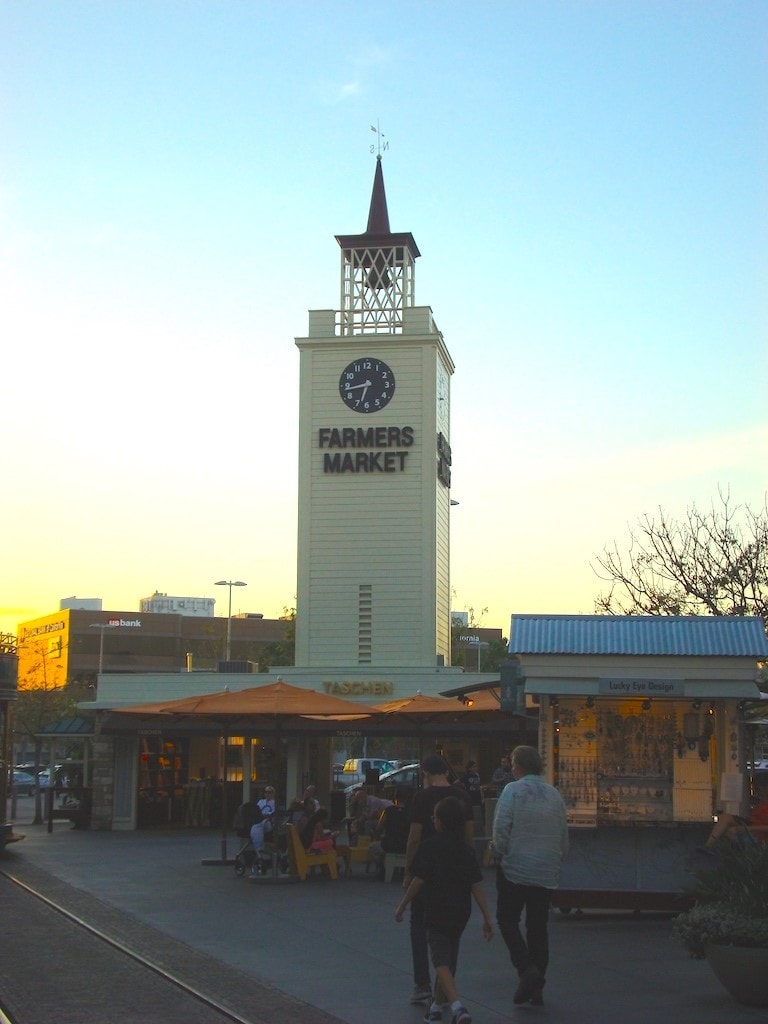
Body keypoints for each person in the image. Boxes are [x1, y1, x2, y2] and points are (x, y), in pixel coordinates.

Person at [395, 796, 494, 1024]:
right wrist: (487, 917)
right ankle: (437, 1008)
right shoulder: (466, 850)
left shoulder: (429, 847)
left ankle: (458, 1007)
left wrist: (402, 905)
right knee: (449, 961)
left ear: (438, 822)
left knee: (440, 961)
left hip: (436, 911)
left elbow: (418, 881)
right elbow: (476, 885)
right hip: (461, 912)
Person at [492, 745, 569, 1007]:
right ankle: (537, 986)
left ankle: (527, 970)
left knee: (507, 919)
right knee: (538, 927)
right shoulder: (554, 794)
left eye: (513, 764)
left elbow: (502, 827)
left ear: (519, 766)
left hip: (516, 868)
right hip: (545, 870)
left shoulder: (512, 790)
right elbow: (563, 835)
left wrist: (497, 853)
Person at [404, 753, 474, 1006]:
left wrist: (408, 870)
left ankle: (422, 983)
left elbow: (414, 837)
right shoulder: (463, 796)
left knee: (419, 924)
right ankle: (444, 987)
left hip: (427, 867)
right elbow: (468, 837)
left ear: (425, 773)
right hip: (456, 872)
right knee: (451, 929)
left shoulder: (422, 798)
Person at [702, 782, 768, 847]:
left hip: (759, 835)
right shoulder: (761, 803)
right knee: (725, 818)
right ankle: (707, 846)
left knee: (729, 832)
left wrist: (745, 828)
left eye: (762, 789)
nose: (760, 791)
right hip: (750, 825)